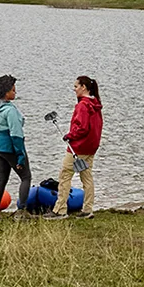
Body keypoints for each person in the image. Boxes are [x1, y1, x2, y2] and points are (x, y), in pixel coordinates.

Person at [44, 76, 102, 220]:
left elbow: (82, 128)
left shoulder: (82, 105)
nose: (74, 89)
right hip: (91, 147)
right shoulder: (95, 104)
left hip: (79, 147)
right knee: (86, 177)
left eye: (76, 86)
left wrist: (70, 135)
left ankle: (60, 210)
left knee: (64, 176)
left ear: (83, 87)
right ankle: (88, 209)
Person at [0, 75, 32, 222]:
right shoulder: (10, 111)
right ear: (6, 92)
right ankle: (22, 211)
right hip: (9, 147)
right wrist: (20, 155)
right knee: (25, 177)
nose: (15, 92)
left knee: (2, 178)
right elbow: (16, 134)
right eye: (13, 90)